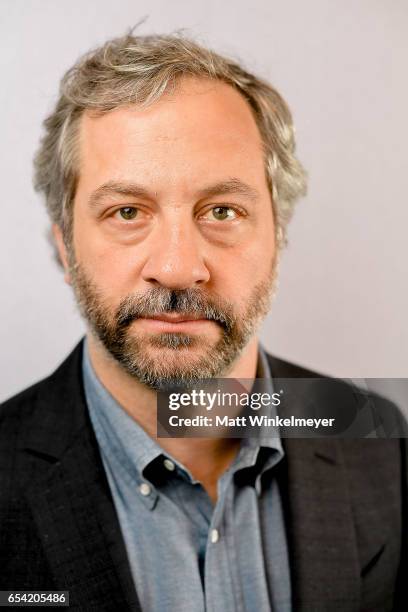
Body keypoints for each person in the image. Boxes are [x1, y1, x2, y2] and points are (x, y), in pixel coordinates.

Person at [0, 32, 406, 612]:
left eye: (222, 211)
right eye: (127, 212)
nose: (176, 269)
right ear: (65, 248)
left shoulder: (377, 438)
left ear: (278, 235)